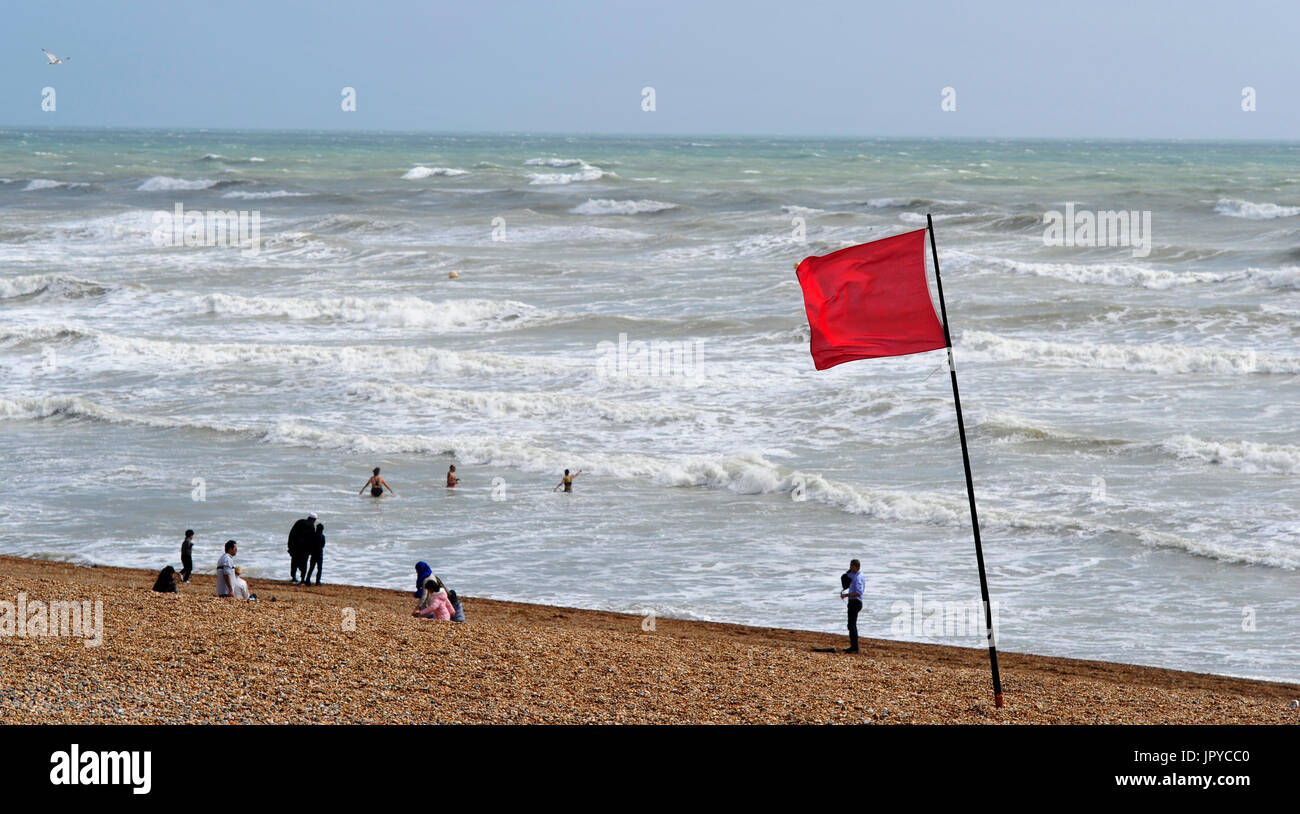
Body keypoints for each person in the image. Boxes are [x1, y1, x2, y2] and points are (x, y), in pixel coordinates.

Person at [839, 558, 864, 653]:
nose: (850, 568)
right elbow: (846, 576)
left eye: (851, 566)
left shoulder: (857, 578)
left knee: (852, 625)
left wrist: (846, 595)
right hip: (854, 602)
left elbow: (858, 592)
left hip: (855, 602)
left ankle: (855, 648)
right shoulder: (857, 575)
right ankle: (853, 647)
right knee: (851, 625)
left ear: (855, 566)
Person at [287, 512, 317, 584]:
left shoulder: (299, 522)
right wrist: (311, 550)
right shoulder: (312, 526)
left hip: (295, 547)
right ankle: (302, 579)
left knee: (294, 562)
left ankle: (293, 578)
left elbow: (291, 534)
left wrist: (289, 546)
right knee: (304, 564)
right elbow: (311, 539)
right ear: (313, 519)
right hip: (304, 549)